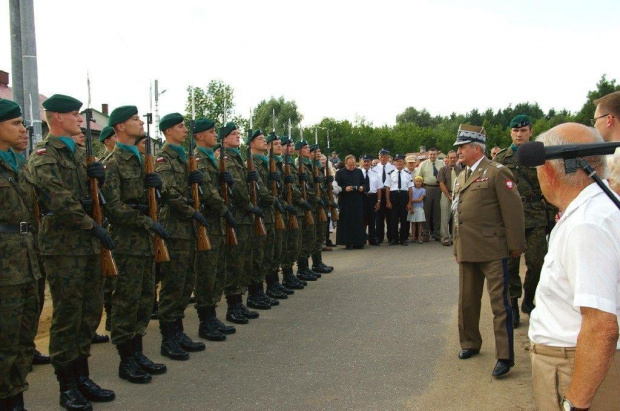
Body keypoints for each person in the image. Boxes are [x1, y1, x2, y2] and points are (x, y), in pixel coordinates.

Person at [29, 94, 117, 409]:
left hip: (88, 245)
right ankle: (67, 384)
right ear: (57, 118)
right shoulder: (44, 155)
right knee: (67, 314)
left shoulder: (81, 153)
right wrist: (91, 225)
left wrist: (100, 182)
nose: (80, 120)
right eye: (75, 115)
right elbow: (57, 200)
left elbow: (92, 196)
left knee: (90, 309)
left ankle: (82, 375)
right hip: (63, 247)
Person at [529, 123, 619, 411]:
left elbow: (601, 327)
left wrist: (575, 404)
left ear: (549, 171)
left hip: (574, 365)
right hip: (577, 360)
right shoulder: (599, 208)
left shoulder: (586, 224)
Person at [452, 124, 525, 378]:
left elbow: (513, 211)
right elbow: (457, 214)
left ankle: (504, 356)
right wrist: (456, 243)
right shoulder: (461, 175)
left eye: (462, 147)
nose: (458, 152)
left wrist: (516, 245)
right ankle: (470, 343)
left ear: (476, 148)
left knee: (500, 305)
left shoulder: (496, 171)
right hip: (467, 249)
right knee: (467, 302)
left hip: (493, 249)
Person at [0, 99, 42, 411]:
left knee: (23, 339)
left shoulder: (19, 164)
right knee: (4, 343)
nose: (23, 129)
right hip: (4, 266)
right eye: (15, 123)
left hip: (27, 260)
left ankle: (17, 400)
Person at [494, 114, 554, 328]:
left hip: (536, 215)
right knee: (509, 266)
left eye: (523, 130)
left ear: (530, 132)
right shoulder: (501, 158)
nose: (519, 134)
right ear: (511, 133)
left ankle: (529, 300)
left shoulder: (540, 155)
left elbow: (550, 187)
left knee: (537, 263)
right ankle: (513, 305)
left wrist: (551, 219)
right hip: (509, 219)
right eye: (515, 131)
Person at [155, 112, 206, 361]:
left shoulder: (185, 158)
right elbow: (170, 194)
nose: (185, 130)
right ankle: (168, 338)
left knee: (187, 281)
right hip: (176, 228)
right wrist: (192, 212)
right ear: (167, 132)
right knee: (173, 284)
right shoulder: (165, 158)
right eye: (180, 126)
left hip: (188, 228)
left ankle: (179, 332)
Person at [192, 118, 237, 341]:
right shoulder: (198, 159)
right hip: (208, 223)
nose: (215, 135)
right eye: (211, 132)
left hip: (217, 224)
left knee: (218, 272)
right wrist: (225, 209)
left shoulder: (212, 159)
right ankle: (204, 321)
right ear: (199, 136)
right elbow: (208, 193)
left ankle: (212, 317)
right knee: (207, 275)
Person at [220, 122, 261, 323]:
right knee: (235, 263)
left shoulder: (237, 158)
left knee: (244, 261)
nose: (237, 136)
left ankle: (239, 303)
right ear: (224, 138)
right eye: (233, 134)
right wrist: (249, 205)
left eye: (238, 133)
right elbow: (236, 189)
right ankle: (233, 306)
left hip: (244, 217)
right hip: (237, 216)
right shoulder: (226, 159)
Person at [246, 129, 277, 310]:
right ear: (251, 144)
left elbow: (271, 188)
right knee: (257, 256)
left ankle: (262, 291)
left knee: (266, 254)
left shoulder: (265, 162)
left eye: (265, 139)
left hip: (268, 213)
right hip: (259, 213)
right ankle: (254, 294)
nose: (265, 141)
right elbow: (259, 190)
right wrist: (274, 201)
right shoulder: (252, 163)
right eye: (260, 139)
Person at [310, 146, 333, 273]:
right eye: (315, 152)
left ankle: (317, 262)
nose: (318, 154)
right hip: (312, 206)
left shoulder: (319, 167)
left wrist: (326, 181)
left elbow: (322, 189)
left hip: (319, 205)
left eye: (319, 151)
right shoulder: (308, 167)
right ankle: (308, 267)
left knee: (319, 236)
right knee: (311, 238)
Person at [335, 155, 365, 249]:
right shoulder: (340, 173)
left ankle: (359, 242)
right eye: (349, 165)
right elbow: (336, 186)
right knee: (347, 221)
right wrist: (344, 188)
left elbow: (364, 182)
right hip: (345, 200)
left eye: (353, 165)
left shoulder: (359, 171)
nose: (352, 167)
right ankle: (348, 242)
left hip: (357, 199)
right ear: (345, 164)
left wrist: (362, 187)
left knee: (358, 221)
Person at [417, 147, 444, 242]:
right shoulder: (423, 164)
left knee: (437, 212)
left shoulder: (442, 164)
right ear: (428, 155)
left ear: (437, 154)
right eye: (431, 154)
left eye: (434, 154)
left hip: (438, 189)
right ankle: (426, 233)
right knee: (426, 211)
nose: (432, 156)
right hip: (427, 188)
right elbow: (418, 177)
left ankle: (437, 233)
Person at [385, 154, 413, 246]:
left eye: (400, 161)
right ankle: (394, 239)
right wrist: (388, 201)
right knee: (393, 219)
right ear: (394, 163)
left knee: (404, 219)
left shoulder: (408, 174)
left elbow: (410, 189)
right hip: (394, 196)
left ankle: (404, 239)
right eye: (397, 161)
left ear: (404, 163)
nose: (399, 163)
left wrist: (409, 202)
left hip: (404, 196)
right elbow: (388, 188)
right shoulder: (390, 173)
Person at [437, 150, 463, 246]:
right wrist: (448, 196)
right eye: (450, 157)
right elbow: (441, 184)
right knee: (445, 217)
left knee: (456, 217)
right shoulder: (443, 170)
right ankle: (445, 237)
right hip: (446, 194)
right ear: (447, 158)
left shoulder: (461, 170)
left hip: (457, 195)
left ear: (457, 158)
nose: (452, 159)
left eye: (454, 157)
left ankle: (455, 237)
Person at [372, 149, 396, 243]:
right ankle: (379, 237)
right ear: (379, 157)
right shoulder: (374, 169)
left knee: (390, 216)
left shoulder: (393, 168)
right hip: (379, 193)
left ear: (388, 157)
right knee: (379, 216)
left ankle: (391, 237)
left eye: (385, 156)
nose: (383, 158)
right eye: (381, 156)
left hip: (390, 193)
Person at [360, 154, 381, 245]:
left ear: (370, 162)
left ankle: (372, 239)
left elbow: (379, 188)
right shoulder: (358, 173)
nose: (366, 163)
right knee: (362, 219)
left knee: (372, 219)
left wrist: (379, 201)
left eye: (368, 161)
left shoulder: (376, 174)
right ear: (361, 162)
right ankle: (362, 238)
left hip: (372, 197)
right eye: (364, 161)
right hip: (362, 197)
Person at [409, 176, 426, 244]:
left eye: (420, 181)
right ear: (414, 182)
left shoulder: (423, 190)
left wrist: (411, 200)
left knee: (419, 223)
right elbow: (410, 198)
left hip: (419, 208)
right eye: (417, 181)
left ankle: (419, 237)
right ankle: (413, 237)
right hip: (412, 207)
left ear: (422, 182)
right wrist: (411, 207)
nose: (418, 182)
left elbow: (420, 199)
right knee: (413, 223)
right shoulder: (411, 189)